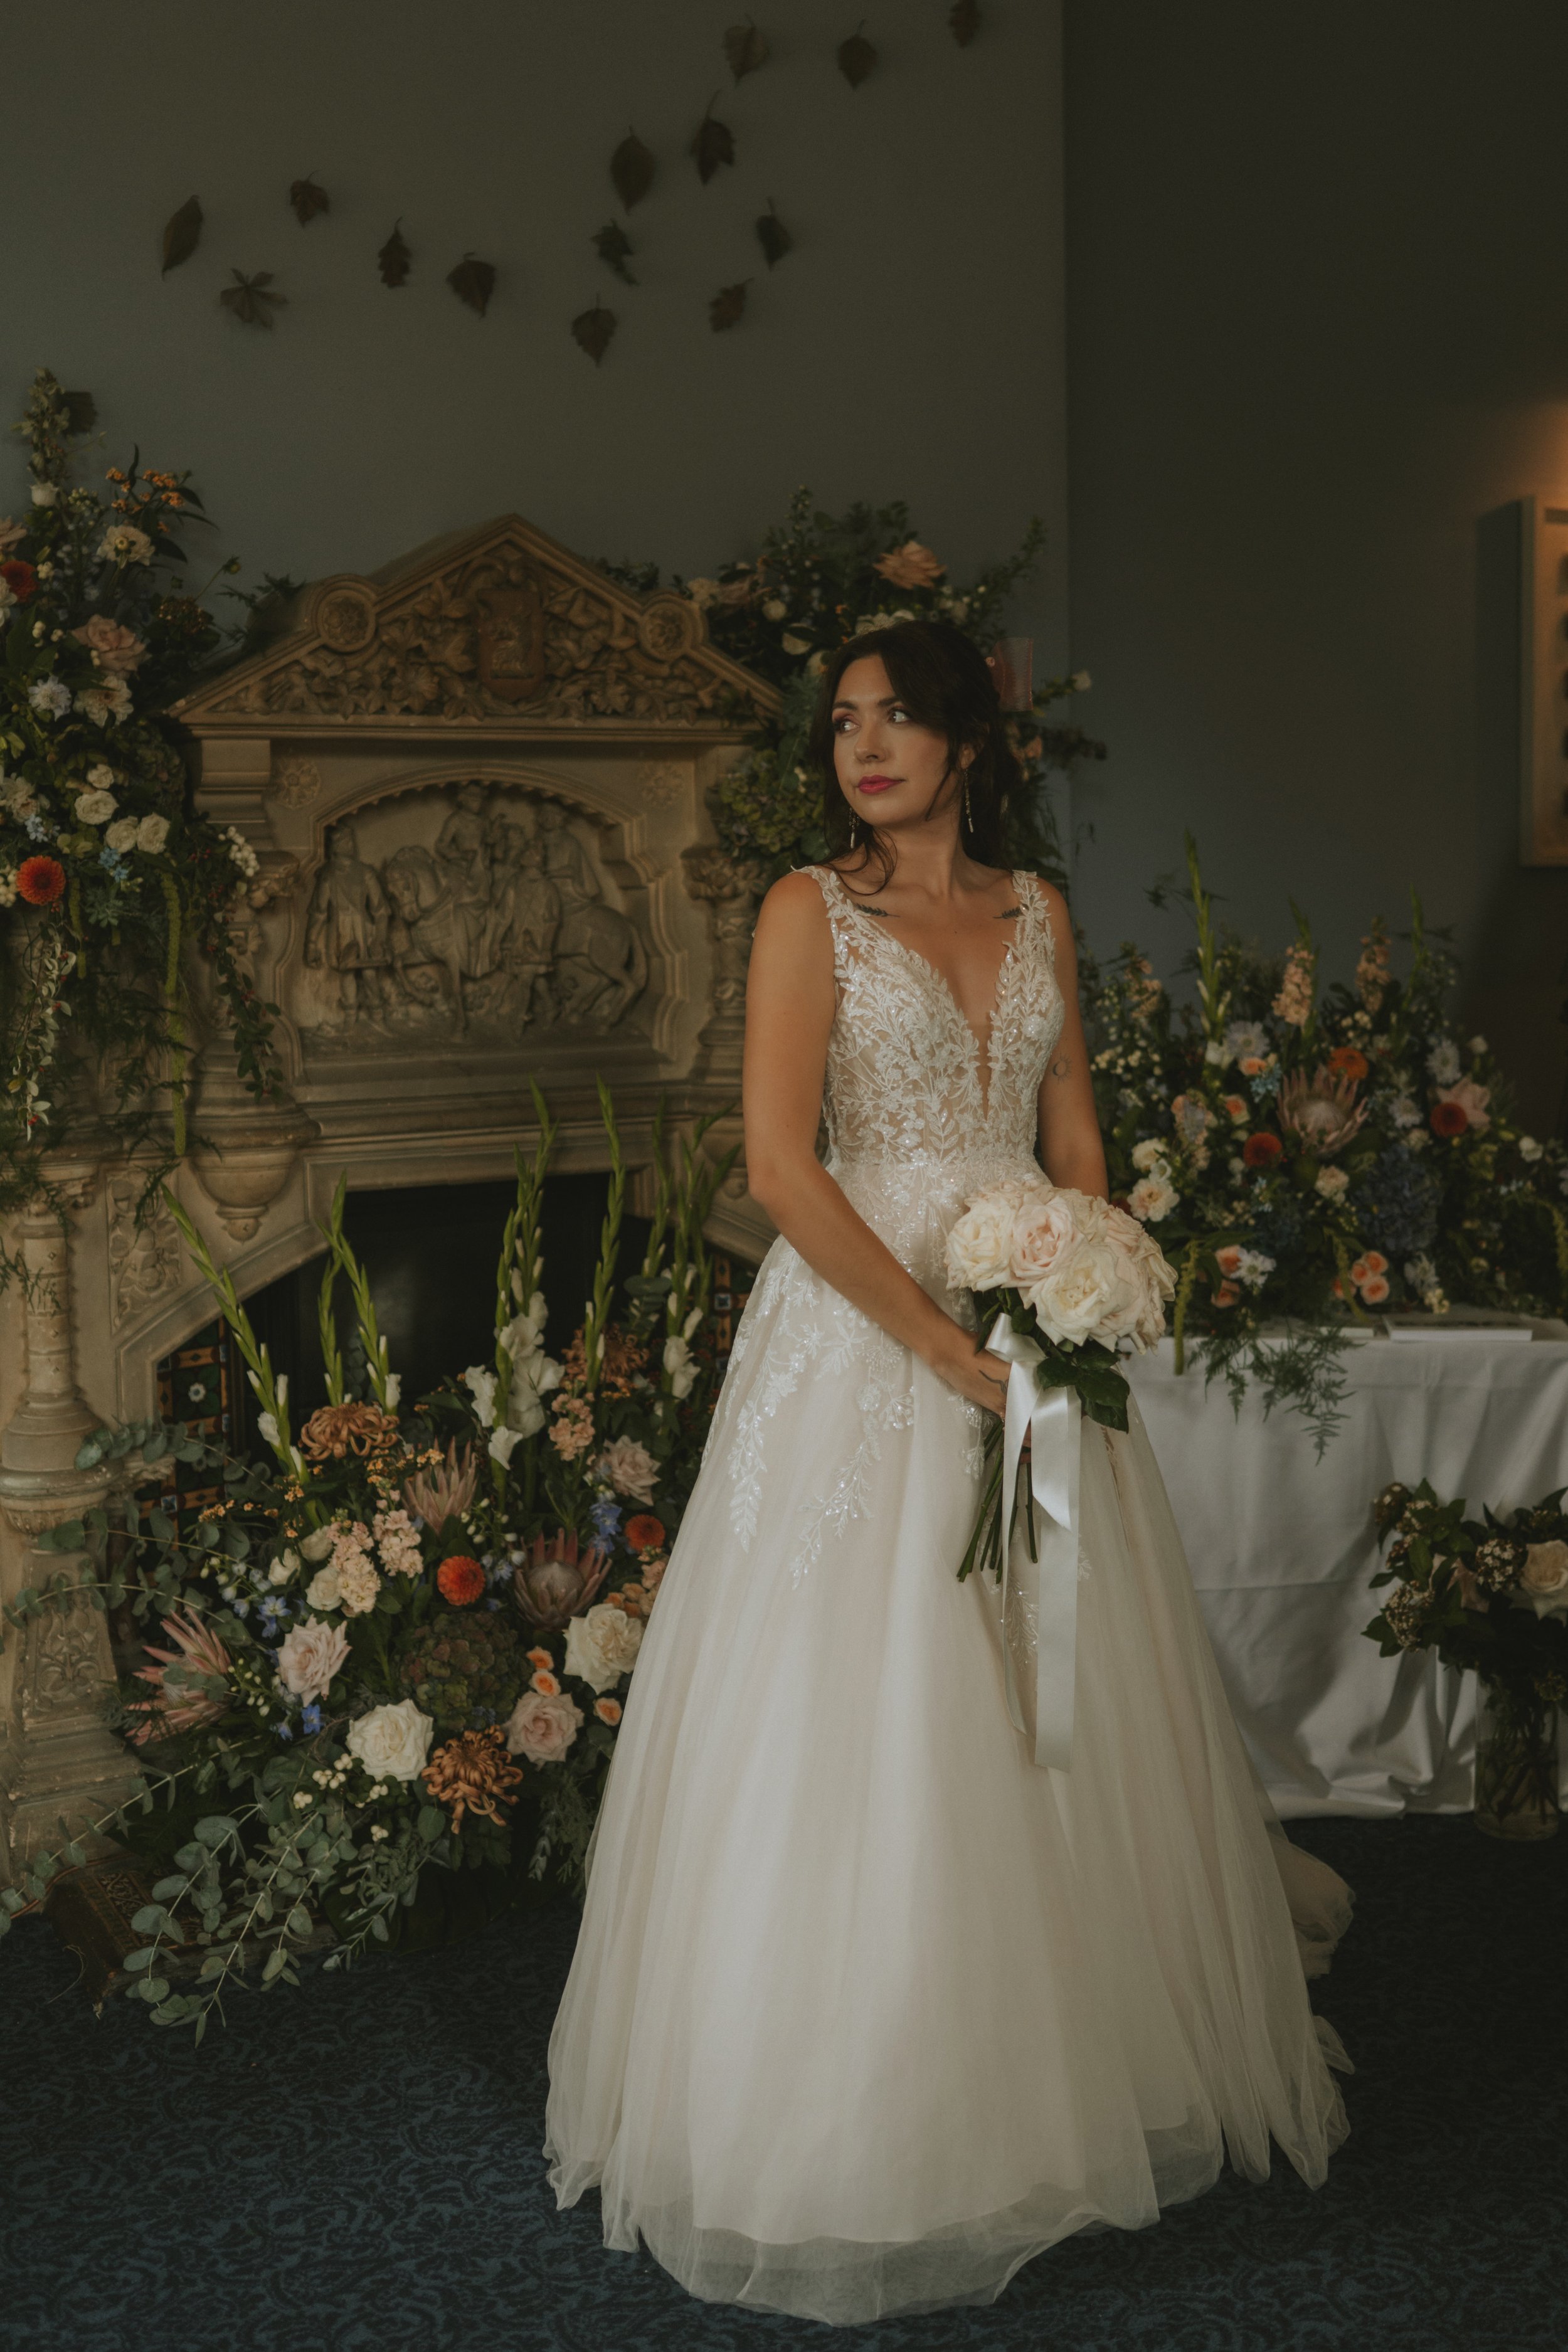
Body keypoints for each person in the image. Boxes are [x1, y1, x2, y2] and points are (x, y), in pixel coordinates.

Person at [544, 620, 1352, 2328]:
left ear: (966, 744)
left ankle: (1080, 2063)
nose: (866, 748)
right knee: (882, 1692)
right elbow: (776, 1162)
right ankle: (872, 2120)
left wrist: (1077, 1258)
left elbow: (1069, 1133)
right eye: (843, 723)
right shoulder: (802, 913)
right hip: (862, 1336)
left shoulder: (1037, 913)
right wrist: (935, 1341)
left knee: (1050, 1693)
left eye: (899, 717)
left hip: (1032, 1331)